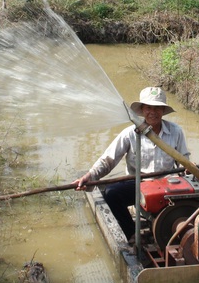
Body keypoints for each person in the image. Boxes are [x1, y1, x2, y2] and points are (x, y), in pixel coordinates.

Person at [73, 86, 191, 242]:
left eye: (157, 108)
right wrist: (90, 176)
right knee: (111, 194)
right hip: (139, 184)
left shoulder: (176, 131)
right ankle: (132, 234)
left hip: (166, 185)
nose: (153, 112)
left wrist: (190, 170)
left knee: (193, 198)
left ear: (163, 110)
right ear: (142, 109)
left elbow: (184, 161)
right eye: (149, 107)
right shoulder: (130, 133)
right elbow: (108, 159)